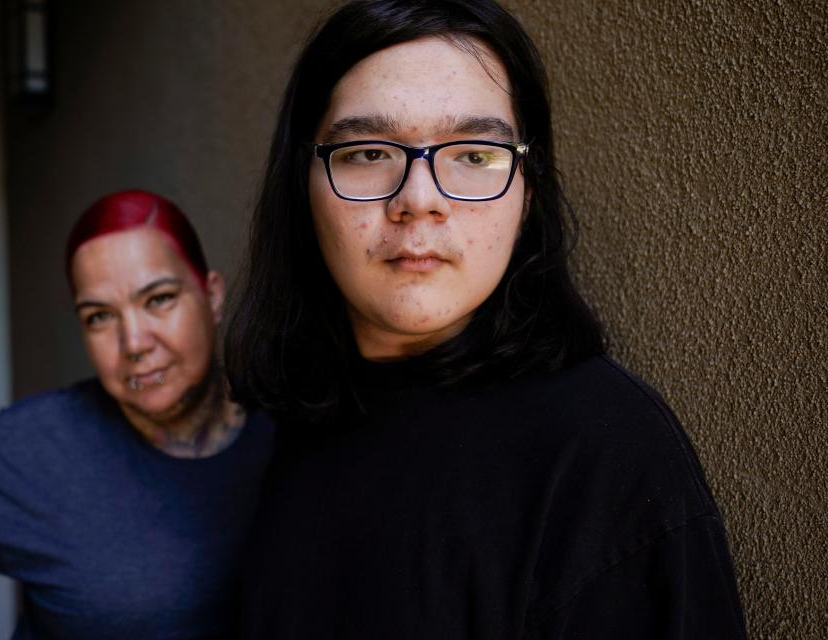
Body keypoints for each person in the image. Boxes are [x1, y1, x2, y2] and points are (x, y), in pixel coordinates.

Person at [225, 1, 746, 637]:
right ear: (301, 185)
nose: (419, 201)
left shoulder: (605, 456)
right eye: (366, 152)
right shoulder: (289, 425)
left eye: (474, 155)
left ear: (528, 193)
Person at [0, 190, 274, 639]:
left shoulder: (292, 423)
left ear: (212, 296)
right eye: (99, 317)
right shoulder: (28, 449)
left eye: (158, 299)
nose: (134, 343)